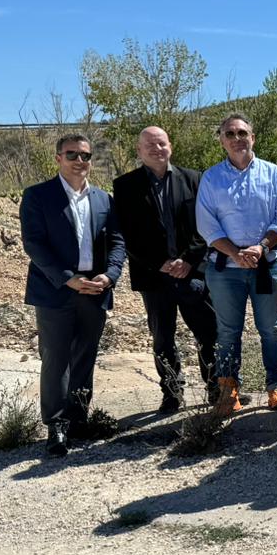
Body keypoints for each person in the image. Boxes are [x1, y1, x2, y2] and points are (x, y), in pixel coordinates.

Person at [20, 133, 127, 457]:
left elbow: (119, 242)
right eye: (72, 155)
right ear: (58, 159)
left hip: (94, 291)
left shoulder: (103, 199)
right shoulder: (38, 196)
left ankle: (79, 418)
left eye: (85, 155)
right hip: (56, 291)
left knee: (85, 356)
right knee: (56, 358)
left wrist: (109, 276)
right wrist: (68, 280)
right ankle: (56, 426)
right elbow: (34, 244)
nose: (80, 161)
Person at [112, 125, 217, 414]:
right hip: (153, 276)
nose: (157, 149)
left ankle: (216, 388)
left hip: (192, 273)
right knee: (163, 337)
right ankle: (172, 392)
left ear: (170, 146)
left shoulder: (195, 179)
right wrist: (159, 263)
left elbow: (207, 227)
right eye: (150, 145)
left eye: (161, 144)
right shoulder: (125, 186)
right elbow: (127, 235)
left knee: (208, 332)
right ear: (139, 150)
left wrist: (188, 260)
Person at [195, 111, 277, 416]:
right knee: (227, 331)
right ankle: (228, 390)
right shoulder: (211, 178)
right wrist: (236, 253)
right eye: (230, 134)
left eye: (242, 133)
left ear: (253, 137)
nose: (237, 139)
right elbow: (207, 226)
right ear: (222, 140)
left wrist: (260, 247)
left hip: (268, 263)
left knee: (272, 329)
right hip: (226, 269)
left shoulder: (273, 174)